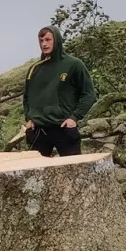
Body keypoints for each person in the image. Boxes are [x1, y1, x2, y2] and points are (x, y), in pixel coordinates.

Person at [22, 25, 97, 157]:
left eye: (48, 39)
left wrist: (74, 117)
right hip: (39, 130)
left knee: (73, 170)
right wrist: (29, 118)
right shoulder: (34, 69)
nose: (44, 44)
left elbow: (89, 94)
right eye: (41, 41)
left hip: (64, 127)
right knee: (36, 173)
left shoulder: (74, 65)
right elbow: (27, 97)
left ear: (56, 40)